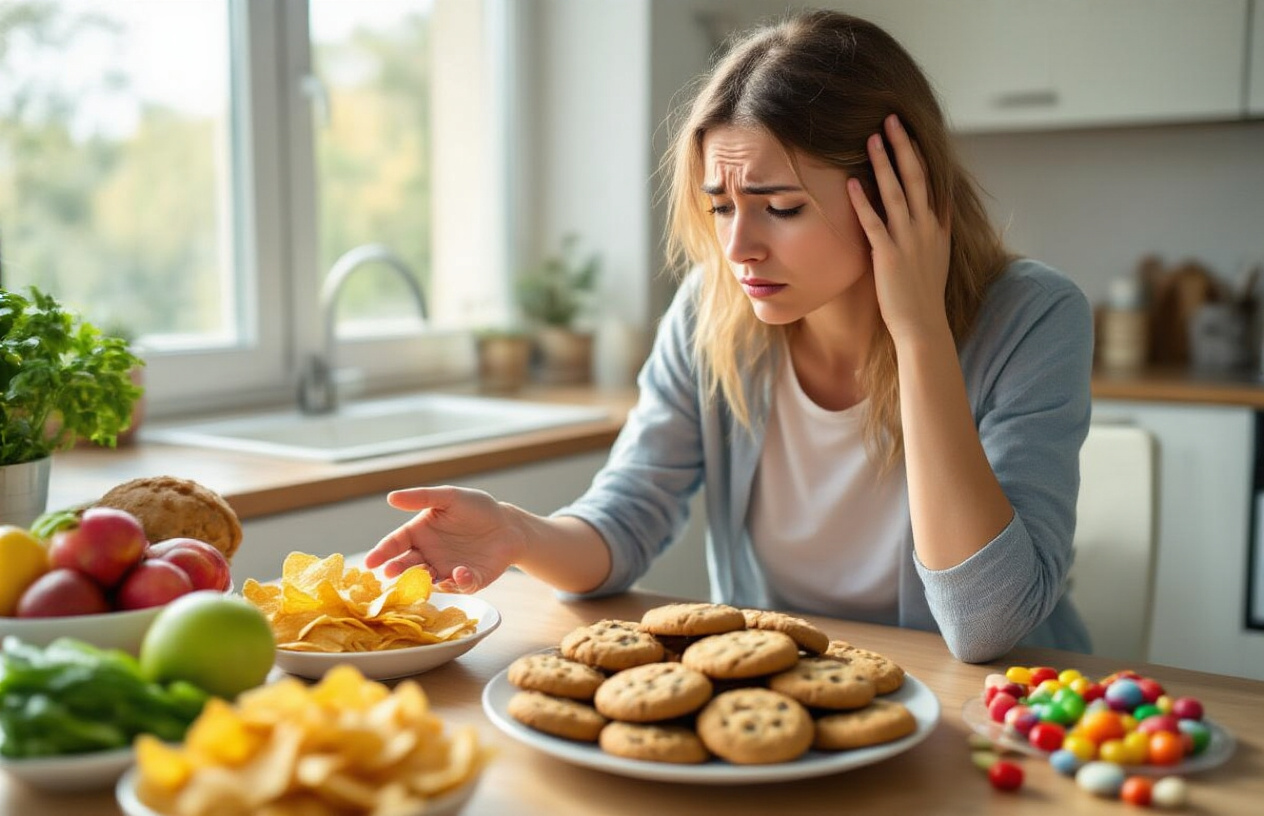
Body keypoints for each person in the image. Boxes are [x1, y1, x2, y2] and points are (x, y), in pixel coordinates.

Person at [366, 9, 1093, 663]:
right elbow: (623, 525)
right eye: (721, 206)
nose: (738, 247)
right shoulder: (711, 313)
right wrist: (521, 536)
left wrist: (920, 332)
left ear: (894, 190)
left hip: (982, 714)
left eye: (780, 207)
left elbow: (986, 626)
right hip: (783, 708)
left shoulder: (1033, 319)